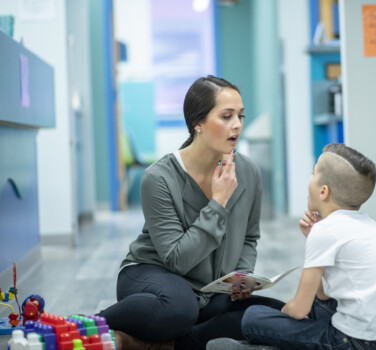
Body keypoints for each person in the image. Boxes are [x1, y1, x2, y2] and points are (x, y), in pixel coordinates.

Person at [97, 75, 284, 350]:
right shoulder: (158, 177)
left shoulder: (249, 172)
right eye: (226, 116)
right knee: (180, 308)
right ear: (198, 123)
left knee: (275, 315)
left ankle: (158, 343)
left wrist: (242, 277)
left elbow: (249, 238)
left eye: (241, 116)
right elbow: (177, 259)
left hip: (209, 291)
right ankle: (89, 323)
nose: (237, 125)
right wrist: (218, 202)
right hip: (155, 276)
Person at [208, 143, 376, 350]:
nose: (309, 177)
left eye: (313, 173)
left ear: (323, 191)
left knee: (253, 317)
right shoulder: (370, 226)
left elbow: (299, 310)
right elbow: (324, 297)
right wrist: (312, 238)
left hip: (357, 342)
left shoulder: (326, 231)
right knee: (315, 305)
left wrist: (280, 323)